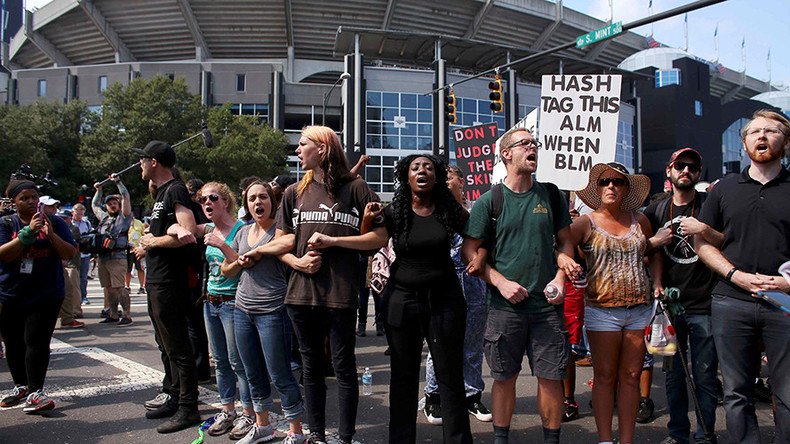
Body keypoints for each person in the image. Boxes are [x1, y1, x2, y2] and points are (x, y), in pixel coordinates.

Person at [308, 154, 473, 443]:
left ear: (437, 176)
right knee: (403, 377)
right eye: (415, 167)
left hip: (445, 301)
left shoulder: (452, 211)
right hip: (403, 301)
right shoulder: (394, 211)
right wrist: (365, 222)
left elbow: (479, 237)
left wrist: (479, 257)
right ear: (406, 177)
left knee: (450, 377)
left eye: (428, 167)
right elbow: (369, 246)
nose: (422, 170)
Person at [462, 127, 574, 444]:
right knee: (504, 378)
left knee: (552, 378)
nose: (532, 148)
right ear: (506, 153)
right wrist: (500, 282)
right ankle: (501, 439)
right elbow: (470, 251)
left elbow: (566, 244)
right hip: (503, 309)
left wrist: (560, 278)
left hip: (547, 310)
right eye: (524, 143)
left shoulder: (551, 195)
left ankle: (551, 439)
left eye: (534, 143)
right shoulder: (490, 200)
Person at [275, 125, 380, 444]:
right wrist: (297, 262)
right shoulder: (294, 191)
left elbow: (379, 237)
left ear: (322, 149)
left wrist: (334, 241)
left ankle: (345, 437)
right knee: (311, 369)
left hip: (341, 293)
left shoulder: (357, 187)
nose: (297, 150)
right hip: (300, 295)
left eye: (302, 144)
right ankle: (317, 434)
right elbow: (281, 243)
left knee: (345, 369)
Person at [696, 109, 790, 443]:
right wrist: (735, 275)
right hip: (731, 301)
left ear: (786, 141)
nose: (762, 136)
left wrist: (787, 283)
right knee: (736, 392)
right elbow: (702, 242)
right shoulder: (723, 190)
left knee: (787, 393)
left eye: (772, 130)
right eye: (754, 131)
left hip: (784, 304)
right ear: (744, 143)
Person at [558, 162, 660, 444]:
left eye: (617, 181)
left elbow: (653, 252)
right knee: (604, 376)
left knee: (630, 376)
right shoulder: (585, 222)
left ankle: (626, 439)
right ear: (597, 188)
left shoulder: (641, 220)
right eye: (604, 182)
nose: (611, 186)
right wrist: (564, 258)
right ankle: (605, 439)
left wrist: (659, 281)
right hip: (602, 311)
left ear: (627, 188)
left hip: (639, 309)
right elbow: (564, 244)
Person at [644, 147, 721, 444]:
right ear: (669, 170)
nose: (685, 170)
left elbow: (726, 240)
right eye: (680, 165)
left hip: (706, 304)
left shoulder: (710, 206)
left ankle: (706, 434)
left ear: (699, 173)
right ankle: (678, 434)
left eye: (692, 166)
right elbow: (647, 250)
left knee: (704, 376)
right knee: (675, 377)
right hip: (670, 308)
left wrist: (704, 229)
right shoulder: (657, 211)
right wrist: (658, 277)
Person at [169, 181, 257, 439]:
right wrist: (176, 227)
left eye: (213, 198)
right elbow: (179, 228)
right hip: (211, 302)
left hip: (233, 303)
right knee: (219, 361)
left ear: (226, 202)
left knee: (238, 362)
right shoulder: (208, 228)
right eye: (202, 199)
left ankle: (248, 413)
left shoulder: (242, 230)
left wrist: (221, 244)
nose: (206, 203)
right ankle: (228, 410)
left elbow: (242, 264)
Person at [221, 181, 307, 444]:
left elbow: (288, 246)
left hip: (273, 310)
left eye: (262, 198)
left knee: (280, 374)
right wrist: (239, 261)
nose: (257, 203)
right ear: (246, 204)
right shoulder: (242, 231)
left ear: (273, 202)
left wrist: (256, 253)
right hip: (242, 310)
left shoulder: (280, 232)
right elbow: (226, 270)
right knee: (252, 373)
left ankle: (297, 432)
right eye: (251, 199)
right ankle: (263, 427)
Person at [135, 140, 202, 433]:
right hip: (157, 278)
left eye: (142, 160)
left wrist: (153, 241)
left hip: (170, 281)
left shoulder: (174, 189)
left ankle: (188, 408)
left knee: (178, 346)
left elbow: (187, 233)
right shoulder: (160, 194)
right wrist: (151, 237)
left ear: (154, 162)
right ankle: (173, 395)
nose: (139, 165)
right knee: (165, 344)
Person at [422, 165, 491, 426]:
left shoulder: (475, 211)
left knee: (472, 346)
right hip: (442, 286)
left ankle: (471, 395)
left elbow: (484, 242)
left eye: (448, 178)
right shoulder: (431, 212)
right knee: (439, 344)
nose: (444, 183)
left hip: (473, 287)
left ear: (461, 181)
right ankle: (433, 396)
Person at [0, 180, 77, 413]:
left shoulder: (54, 222)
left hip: (46, 293)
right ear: (14, 202)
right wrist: (27, 234)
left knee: (36, 341)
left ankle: (36, 391)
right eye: (24, 198)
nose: (32, 201)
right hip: (11, 293)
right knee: (13, 342)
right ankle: (20, 386)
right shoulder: (5, 223)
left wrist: (50, 235)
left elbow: (69, 253)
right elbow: (4, 255)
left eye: (34, 197)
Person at [92, 176, 134, 326]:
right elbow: (94, 204)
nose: (112, 206)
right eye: (109, 204)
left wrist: (118, 182)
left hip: (118, 257)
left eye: (114, 203)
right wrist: (99, 190)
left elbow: (125, 196)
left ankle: (127, 315)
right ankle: (114, 314)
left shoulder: (124, 217)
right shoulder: (103, 218)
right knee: (109, 289)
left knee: (119, 287)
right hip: (103, 258)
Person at [56, 209, 85, 328]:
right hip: (59, 263)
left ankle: (76, 311)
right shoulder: (56, 227)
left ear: (69, 218)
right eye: (61, 218)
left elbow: (74, 247)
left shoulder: (73, 229)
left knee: (72, 288)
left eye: (65, 218)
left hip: (71, 262)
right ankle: (63, 314)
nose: (62, 220)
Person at [71, 203, 92, 305]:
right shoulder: (68, 222)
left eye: (81, 214)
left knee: (83, 277)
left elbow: (91, 235)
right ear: (73, 212)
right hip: (73, 254)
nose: (79, 216)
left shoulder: (86, 223)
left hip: (85, 254)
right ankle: (74, 297)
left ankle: (83, 296)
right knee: (73, 277)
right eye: (77, 213)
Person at [126, 216, 146, 294]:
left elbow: (143, 234)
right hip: (128, 250)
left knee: (140, 269)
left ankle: (142, 287)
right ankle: (127, 287)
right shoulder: (123, 223)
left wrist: (142, 246)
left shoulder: (139, 223)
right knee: (127, 269)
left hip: (138, 250)